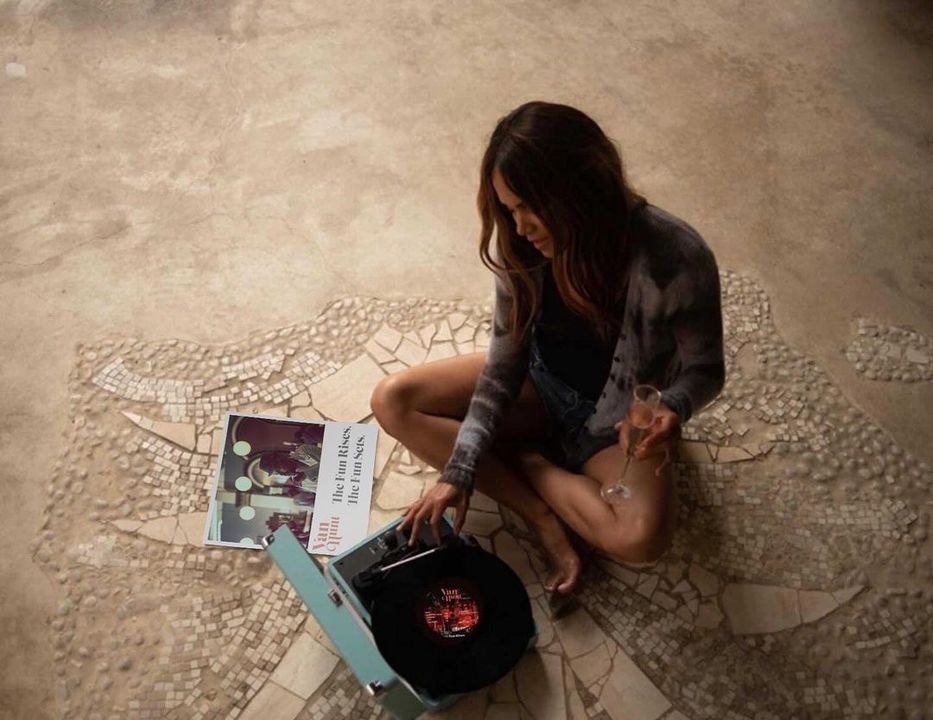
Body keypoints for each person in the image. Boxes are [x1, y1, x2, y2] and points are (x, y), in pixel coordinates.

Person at [371, 101, 724, 594]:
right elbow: (503, 368)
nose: (519, 228)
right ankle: (541, 511)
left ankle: (528, 462)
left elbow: (706, 370)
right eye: (509, 209)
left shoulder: (676, 256)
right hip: (539, 388)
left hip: (614, 431)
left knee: (641, 539)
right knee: (393, 400)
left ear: (580, 193)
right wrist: (461, 469)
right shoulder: (522, 250)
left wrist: (674, 407)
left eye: (529, 208)